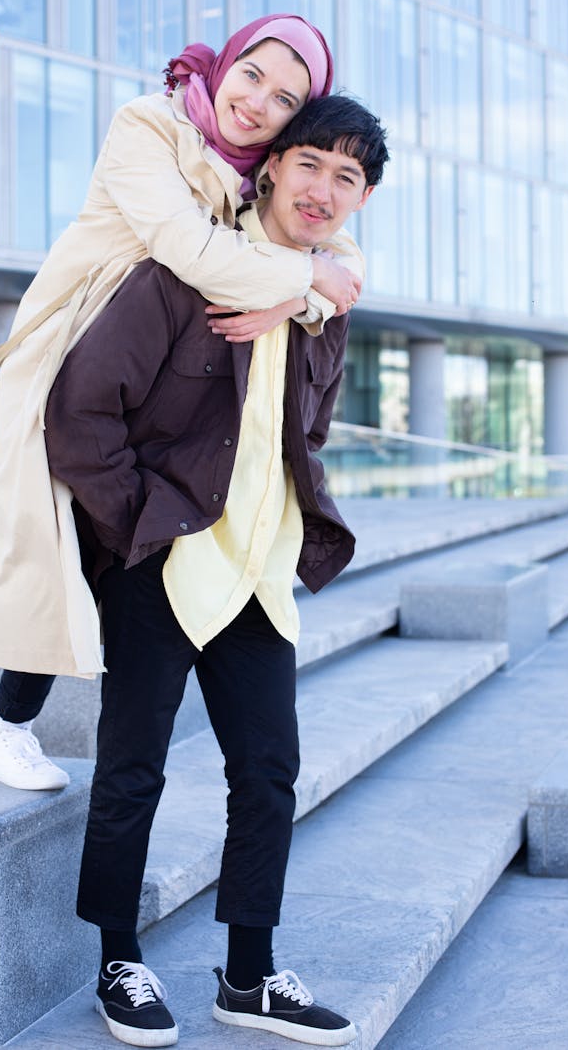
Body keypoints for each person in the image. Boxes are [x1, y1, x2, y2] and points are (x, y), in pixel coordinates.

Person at [0, 15, 363, 793]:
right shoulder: (147, 126)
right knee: (59, 539)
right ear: (226, 64)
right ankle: (5, 717)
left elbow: (340, 255)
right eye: (252, 75)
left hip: (149, 372)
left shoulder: (255, 172)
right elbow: (191, 250)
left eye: (285, 98)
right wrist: (300, 289)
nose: (257, 100)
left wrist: (301, 295)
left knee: (81, 550)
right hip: (72, 353)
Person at [42, 93, 389, 1047]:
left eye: (348, 178)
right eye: (311, 162)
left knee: (269, 768)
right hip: (164, 557)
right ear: (272, 165)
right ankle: (119, 955)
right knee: (132, 772)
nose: (324, 189)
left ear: (360, 200)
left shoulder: (327, 300)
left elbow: (304, 429)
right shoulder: (181, 270)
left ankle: (248, 973)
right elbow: (81, 412)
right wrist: (139, 527)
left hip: (258, 571)